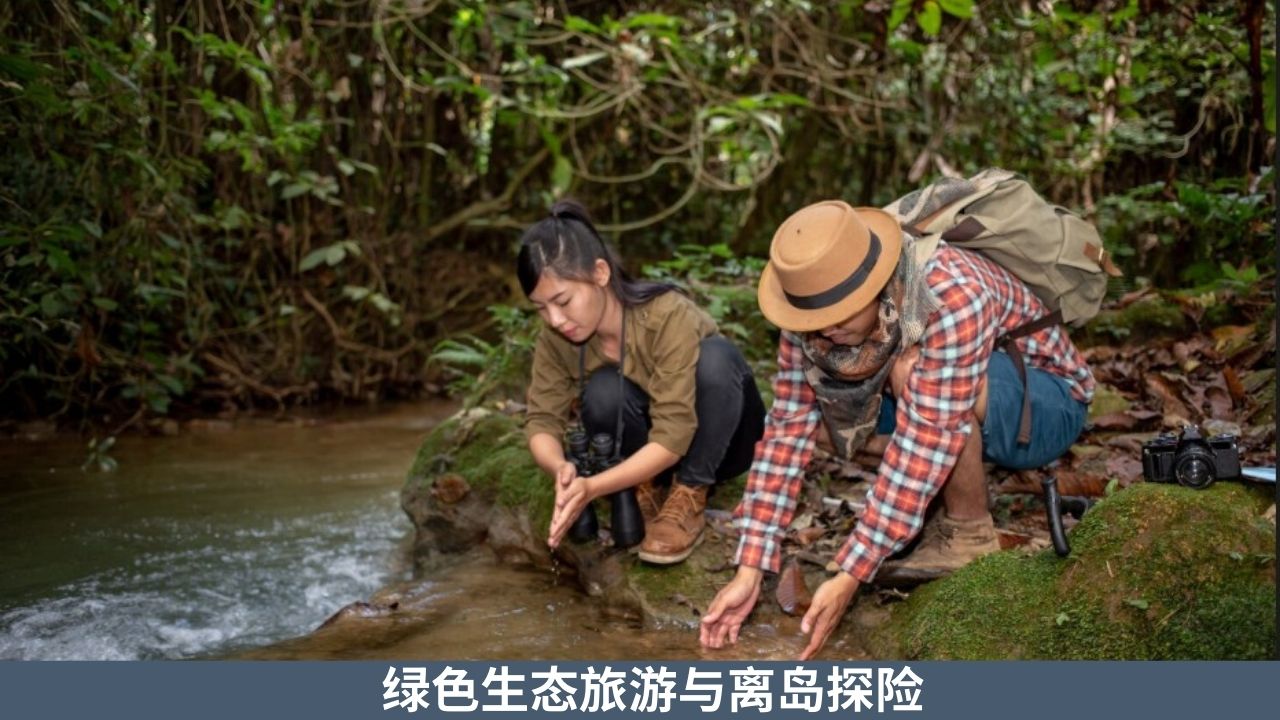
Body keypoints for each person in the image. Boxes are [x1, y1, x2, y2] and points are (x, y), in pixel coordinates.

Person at [699, 200, 1094, 658]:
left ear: (875, 286)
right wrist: (750, 567)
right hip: (947, 404)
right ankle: (924, 505)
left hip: (1045, 405)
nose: (824, 333)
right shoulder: (807, 314)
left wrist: (851, 571)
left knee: (912, 374)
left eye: (839, 317)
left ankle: (969, 532)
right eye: (814, 324)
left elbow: (929, 433)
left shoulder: (951, 293)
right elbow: (787, 430)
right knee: (817, 423)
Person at [519, 199, 766, 564]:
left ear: (600, 273)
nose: (555, 319)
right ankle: (644, 489)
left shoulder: (665, 314)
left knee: (716, 358)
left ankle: (690, 493)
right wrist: (562, 470)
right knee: (603, 389)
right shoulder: (557, 340)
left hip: (720, 444)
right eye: (541, 308)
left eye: (563, 300)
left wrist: (594, 487)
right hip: (648, 453)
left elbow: (673, 432)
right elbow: (541, 420)